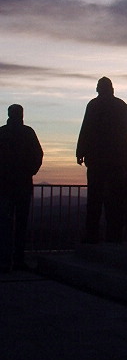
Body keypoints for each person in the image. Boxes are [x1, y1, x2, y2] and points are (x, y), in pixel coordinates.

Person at [76, 77, 127, 243]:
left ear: (99, 89)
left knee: (95, 198)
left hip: (97, 158)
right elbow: (126, 129)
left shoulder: (93, 105)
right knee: (115, 199)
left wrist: (81, 151)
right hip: (115, 158)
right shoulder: (121, 105)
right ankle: (114, 235)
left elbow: (85, 128)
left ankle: (92, 234)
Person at [0, 105, 43, 271]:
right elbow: (38, 154)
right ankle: (18, 260)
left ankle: (4, 261)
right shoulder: (28, 132)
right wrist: (29, 171)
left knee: (4, 224)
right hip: (23, 184)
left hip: (3, 185)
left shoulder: (2, 133)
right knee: (21, 225)